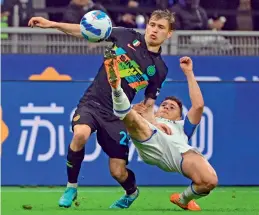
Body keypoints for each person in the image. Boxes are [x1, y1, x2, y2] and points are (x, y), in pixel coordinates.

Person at [28, 9, 175, 209]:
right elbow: (86, 30)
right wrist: (51, 24)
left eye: (161, 27)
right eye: (152, 25)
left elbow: (148, 105)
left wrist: (155, 123)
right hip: (93, 103)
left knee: (117, 171)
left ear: (169, 34)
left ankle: (131, 191)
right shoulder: (126, 35)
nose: (154, 30)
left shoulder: (159, 70)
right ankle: (71, 187)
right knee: (80, 134)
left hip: (118, 116)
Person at [106, 56, 218, 211]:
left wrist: (189, 73)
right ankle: (117, 89)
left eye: (172, 107)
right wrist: (136, 112)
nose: (166, 107)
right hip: (150, 140)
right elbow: (119, 123)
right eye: (164, 105)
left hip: (176, 156)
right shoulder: (148, 115)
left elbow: (198, 106)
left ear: (179, 117)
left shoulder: (182, 127)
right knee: (133, 118)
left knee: (209, 181)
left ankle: (183, 199)